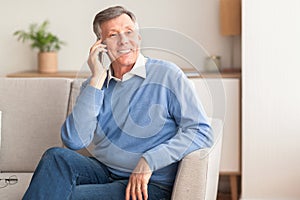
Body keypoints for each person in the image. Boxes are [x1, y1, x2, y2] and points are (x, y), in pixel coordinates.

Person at [23, 5, 213, 200]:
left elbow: (201, 131)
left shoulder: (167, 75)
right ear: (101, 44)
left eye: (129, 32)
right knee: (56, 157)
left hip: (149, 184)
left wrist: (149, 161)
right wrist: (96, 79)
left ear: (138, 37)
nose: (124, 41)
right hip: (105, 172)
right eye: (113, 35)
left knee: (67, 195)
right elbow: (74, 140)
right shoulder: (95, 85)